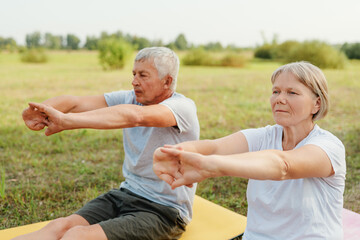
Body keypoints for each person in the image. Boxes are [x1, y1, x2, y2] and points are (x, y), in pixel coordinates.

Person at [17, 47, 200, 240]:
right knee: (60, 227)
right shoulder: (131, 98)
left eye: (143, 75)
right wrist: (42, 110)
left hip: (163, 212)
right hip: (124, 195)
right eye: (134, 74)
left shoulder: (181, 108)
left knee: (77, 236)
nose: (134, 81)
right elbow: (76, 103)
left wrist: (66, 122)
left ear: (167, 81)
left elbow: (135, 117)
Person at [153, 61, 346, 240]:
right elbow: (215, 147)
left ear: (317, 103)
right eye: (276, 91)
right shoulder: (264, 137)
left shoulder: (329, 147)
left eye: (292, 93)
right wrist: (176, 152)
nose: (280, 99)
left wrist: (213, 167)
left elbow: (283, 165)